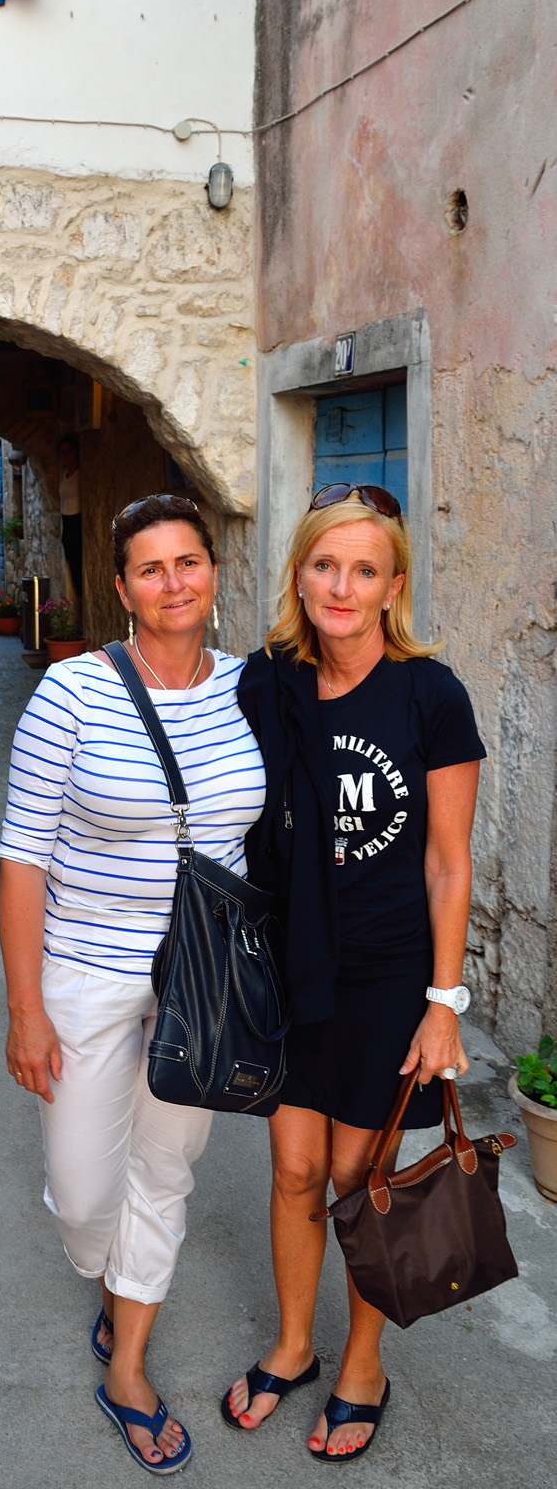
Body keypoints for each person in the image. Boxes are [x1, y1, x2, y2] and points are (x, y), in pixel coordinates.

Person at [0, 494, 267, 1475]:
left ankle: (130, 1364)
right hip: (83, 972)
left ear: (211, 573)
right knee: (80, 1194)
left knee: (164, 1169)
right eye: (149, 569)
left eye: (187, 562)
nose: (172, 583)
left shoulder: (251, 691)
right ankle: (109, 1281)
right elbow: (22, 859)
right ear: (119, 589)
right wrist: (25, 1010)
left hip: (202, 982)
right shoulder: (69, 695)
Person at [222, 483, 485, 1462]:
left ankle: (360, 1363)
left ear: (391, 586)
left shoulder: (429, 695)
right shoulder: (264, 683)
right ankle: (292, 1346)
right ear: (298, 574)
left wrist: (443, 1004)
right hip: (291, 968)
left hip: (385, 979)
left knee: (351, 1178)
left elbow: (447, 862)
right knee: (291, 1168)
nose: (341, 584)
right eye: (324, 564)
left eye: (362, 569)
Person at [58, 434, 83, 599]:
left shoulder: (81, 474)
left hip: (77, 520)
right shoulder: (65, 474)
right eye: (63, 452)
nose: (66, 456)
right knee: (71, 568)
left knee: (78, 565)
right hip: (66, 521)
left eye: (69, 451)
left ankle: (82, 598)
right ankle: (77, 603)